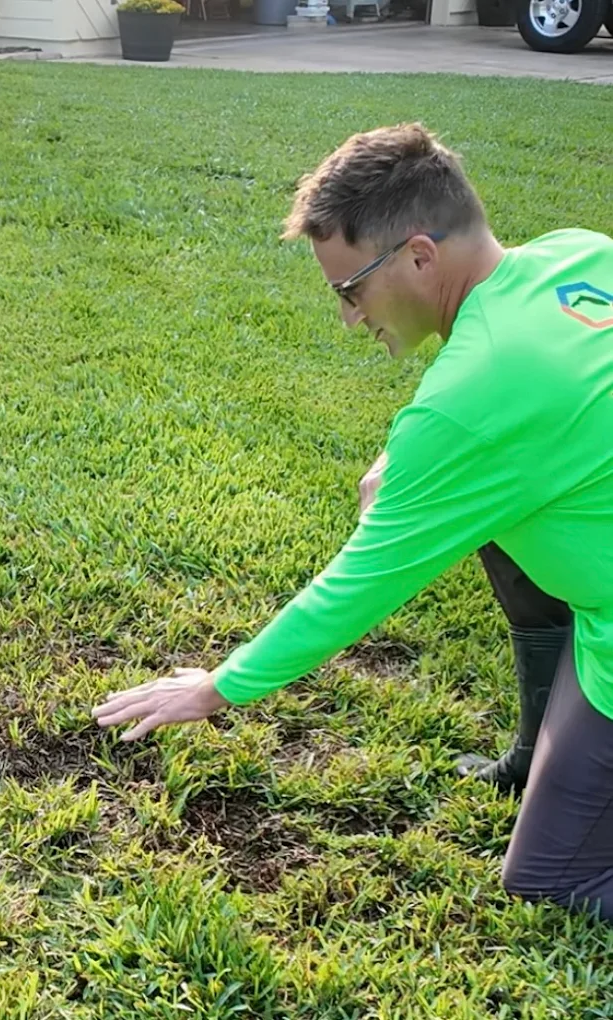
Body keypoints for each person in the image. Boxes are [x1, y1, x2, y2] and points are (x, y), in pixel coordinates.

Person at [94, 122, 613, 921]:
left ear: (418, 255)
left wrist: (218, 687)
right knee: (496, 522)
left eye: (349, 290)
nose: (346, 318)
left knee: (551, 879)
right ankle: (537, 748)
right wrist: (407, 461)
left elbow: (359, 583)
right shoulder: (574, 253)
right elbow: (539, 416)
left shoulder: (471, 404)